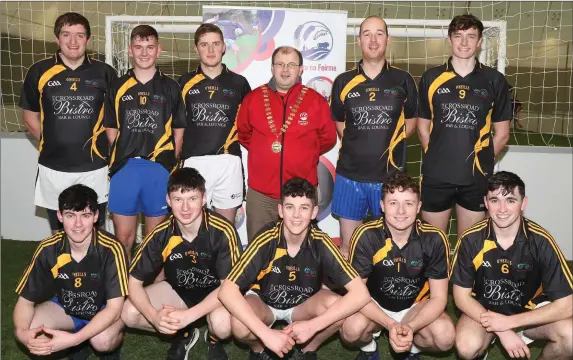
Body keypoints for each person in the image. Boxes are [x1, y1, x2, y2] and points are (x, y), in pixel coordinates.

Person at [218, 178, 370, 360]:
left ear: (314, 212)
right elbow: (226, 291)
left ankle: (307, 351)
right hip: (265, 302)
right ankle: (259, 351)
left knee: (338, 309)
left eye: (304, 208)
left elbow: (361, 294)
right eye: (290, 207)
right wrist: (266, 336)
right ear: (281, 210)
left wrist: (313, 325)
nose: (296, 215)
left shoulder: (321, 242)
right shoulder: (266, 239)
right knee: (239, 324)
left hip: (304, 305)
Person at [121, 167, 242, 360]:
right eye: (178, 199)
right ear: (168, 201)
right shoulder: (161, 233)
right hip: (179, 291)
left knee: (223, 325)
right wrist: (153, 316)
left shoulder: (222, 231)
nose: (185, 208)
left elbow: (229, 287)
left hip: (217, 293)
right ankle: (183, 333)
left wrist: (189, 316)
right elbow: (132, 282)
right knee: (129, 312)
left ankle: (212, 338)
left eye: (192, 199)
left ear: (203, 199)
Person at [450, 171, 573, 360]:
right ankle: (485, 343)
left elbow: (567, 305)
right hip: (484, 312)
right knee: (467, 345)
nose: (502, 209)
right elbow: (460, 297)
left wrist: (509, 323)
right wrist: (502, 330)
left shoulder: (541, 241)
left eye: (510, 200)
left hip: (530, 313)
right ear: (485, 202)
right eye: (494, 200)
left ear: (523, 203)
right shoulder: (471, 240)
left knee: (571, 337)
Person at [19, 12, 117, 234]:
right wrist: (53, 142)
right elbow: (30, 117)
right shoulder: (39, 71)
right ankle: (61, 269)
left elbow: (115, 120)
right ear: (57, 39)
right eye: (66, 35)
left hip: (96, 168)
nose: (73, 41)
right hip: (54, 168)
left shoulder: (105, 73)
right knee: (60, 232)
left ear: (88, 40)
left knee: (94, 231)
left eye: (80, 35)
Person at [330, 16, 418, 259]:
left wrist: (389, 144)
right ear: (358, 40)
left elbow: (411, 121)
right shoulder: (343, 81)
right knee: (348, 247)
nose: (373, 39)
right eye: (367, 34)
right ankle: (353, 297)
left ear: (388, 40)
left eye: (379, 33)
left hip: (390, 178)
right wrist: (358, 143)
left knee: (390, 249)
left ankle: (386, 297)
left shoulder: (403, 80)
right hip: (350, 175)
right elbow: (339, 122)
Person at [341, 172, 455, 360]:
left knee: (445, 337)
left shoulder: (434, 238)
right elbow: (356, 293)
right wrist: (389, 324)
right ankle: (370, 348)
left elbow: (439, 298)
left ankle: (412, 349)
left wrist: (410, 326)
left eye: (408, 203)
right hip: (374, 304)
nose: (401, 211)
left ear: (418, 207)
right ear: (382, 206)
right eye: (393, 203)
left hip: (415, 307)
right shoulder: (366, 235)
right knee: (351, 330)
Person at [417, 14, 512, 237]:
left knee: (468, 249)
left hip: (475, 179)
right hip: (436, 176)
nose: (464, 42)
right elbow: (422, 127)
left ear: (479, 42)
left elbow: (502, 133)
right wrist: (438, 157)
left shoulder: (494, 80)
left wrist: (482, 161)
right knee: (433, 246)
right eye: (458, 36)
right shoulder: (431, 78)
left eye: (471, 37)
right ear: (450, 39)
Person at [13, 184, 128, 360]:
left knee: (102, 341)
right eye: (70, 215)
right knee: (33, 331)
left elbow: (114, 308)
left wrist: (74, 340)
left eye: (85, 215)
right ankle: (79, 341)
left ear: (96, 216)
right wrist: (21, 333)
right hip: (66, 307)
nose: (78, 224)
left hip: (103, 310)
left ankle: (101, 344)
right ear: (59, 216)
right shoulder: (48, 249)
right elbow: (25, 302)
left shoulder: (111, 249)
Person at [237, 46, 336, 242]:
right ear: (272, 68)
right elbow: (244, 134)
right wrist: (264, 151)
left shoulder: (316, 101)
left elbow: (328, 139)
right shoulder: (253, 99)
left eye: (291, 65)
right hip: (261, 194)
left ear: (301, 69)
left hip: (301, 194)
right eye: (280, 64)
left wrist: (303, 153)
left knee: (300, 254)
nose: (285, 70)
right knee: (259, 254)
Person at [104, 25, 186, 257]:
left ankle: (151, 292)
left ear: (159, 50)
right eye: (138, 47)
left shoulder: (171, 87)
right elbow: (111, 128)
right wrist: (122, 153)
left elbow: (179, 131)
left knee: (155, 241)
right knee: (123, 238)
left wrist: (168, 163)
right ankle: (125, 290)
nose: (144, 53)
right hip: (125, 169)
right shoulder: (117, 86)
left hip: (158, 169)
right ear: (130, 50)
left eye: (149, 47)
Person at [178, 23, 251, 224]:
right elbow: (176, 127)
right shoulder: (183, 82)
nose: (210, 50)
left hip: (229, 161)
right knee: (191, 227)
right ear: (196, 48)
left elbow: (249, 125)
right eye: (204, 45)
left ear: (224, 47)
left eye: (215, 44)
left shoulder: (239, 83)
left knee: (225, 230)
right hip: (194, 162)